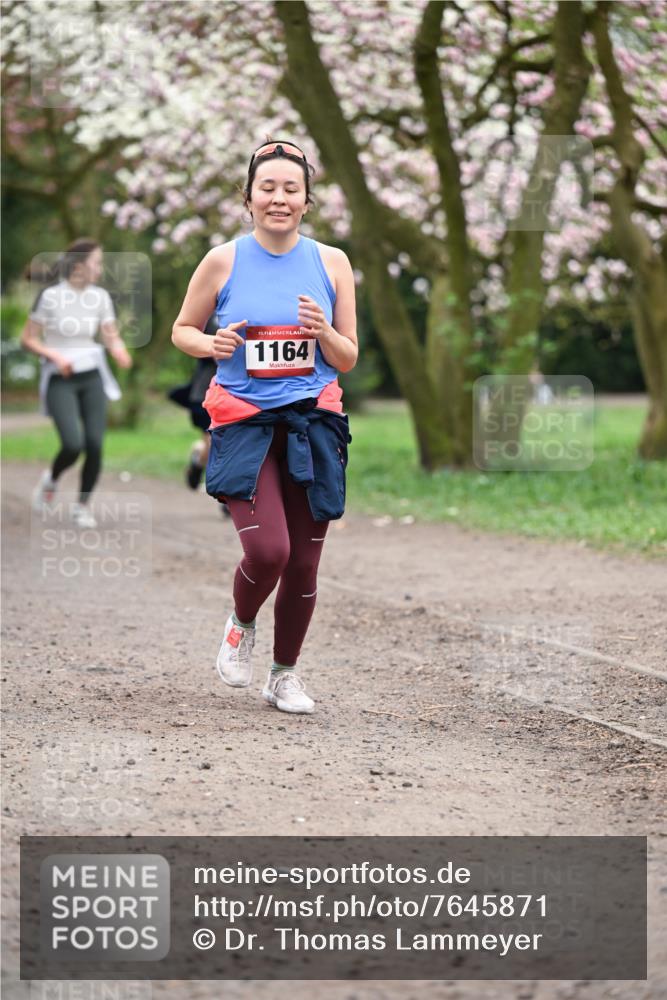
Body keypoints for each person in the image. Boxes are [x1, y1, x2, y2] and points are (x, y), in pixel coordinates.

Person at [172, 138, 358, 714]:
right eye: (268, 188)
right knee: (270, 551)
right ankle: (240, 622)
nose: (279, 198)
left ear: (307, 201)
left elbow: (348, 355)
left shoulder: (332, 262)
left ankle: (283, 676)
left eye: (291, 189)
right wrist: (212, 342)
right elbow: (182, 329)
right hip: (246, 424)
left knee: (305, 564)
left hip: (313, 423)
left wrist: (323, 332)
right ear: (249, 198)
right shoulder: (222, 260)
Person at [20, 239, 132, 528]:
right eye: (97, 263)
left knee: (94, 444)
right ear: (80, 266)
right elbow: (28, 338)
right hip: (61, 378)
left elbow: (110, 334)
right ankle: (52, 479)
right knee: (72, 444)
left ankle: (82, 506)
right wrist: (54, 355)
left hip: (91, 375)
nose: (100, 268)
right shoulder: (50, 297)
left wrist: (118, 349)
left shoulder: (100, 298)